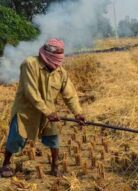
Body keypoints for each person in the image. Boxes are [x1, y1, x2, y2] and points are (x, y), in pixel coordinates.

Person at [1, 38, 85, 177]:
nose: (55, 66)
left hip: (48, 113)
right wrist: (47, 111)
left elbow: (70, 95)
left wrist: (78, 113)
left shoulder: (61, 72)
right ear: (45, 56)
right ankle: (5, 165)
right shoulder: (29, 64)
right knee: (16, 137)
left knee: (54, 139)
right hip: (26, 111)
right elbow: (31, 92)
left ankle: (54, 167)